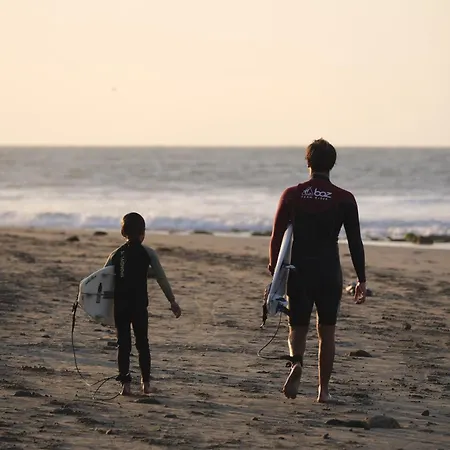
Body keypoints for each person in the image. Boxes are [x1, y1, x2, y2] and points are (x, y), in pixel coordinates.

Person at [268, 139, 367, 402]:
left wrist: (274, 269)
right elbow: (355, 242)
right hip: (328, 271)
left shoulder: (292, 194)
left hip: (298, 270)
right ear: (332, 164)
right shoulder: (344, 198)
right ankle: (323, 391)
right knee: (327, 332)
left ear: (308, 162)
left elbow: (277, 236)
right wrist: (361, 278)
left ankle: (296, 363)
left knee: (297, 327)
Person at [104, 212, 181, 395]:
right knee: (142, 344)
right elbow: (161, 278)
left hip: (120, 306)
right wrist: (172, 301)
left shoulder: (116, 254)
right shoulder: (148, 253)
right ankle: (145, 384)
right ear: (142, 233)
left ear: (123, 232)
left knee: (123, 345)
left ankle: (125, 386)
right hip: (138, 306)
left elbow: (104, 279)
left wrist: (102, 308)